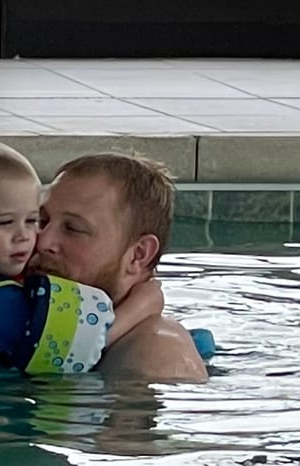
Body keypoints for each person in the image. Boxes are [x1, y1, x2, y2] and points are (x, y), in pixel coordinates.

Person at [0, 138, 165, 380]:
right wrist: (142, 305)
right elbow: (77, 349)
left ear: (140, 254)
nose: (37, 240)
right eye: (42, 221)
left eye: (31, 221)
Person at [34, 152, 209, 385]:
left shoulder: (156, 354)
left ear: (139, 255)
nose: (43, 242)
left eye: (73, 229)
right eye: (41, 221)